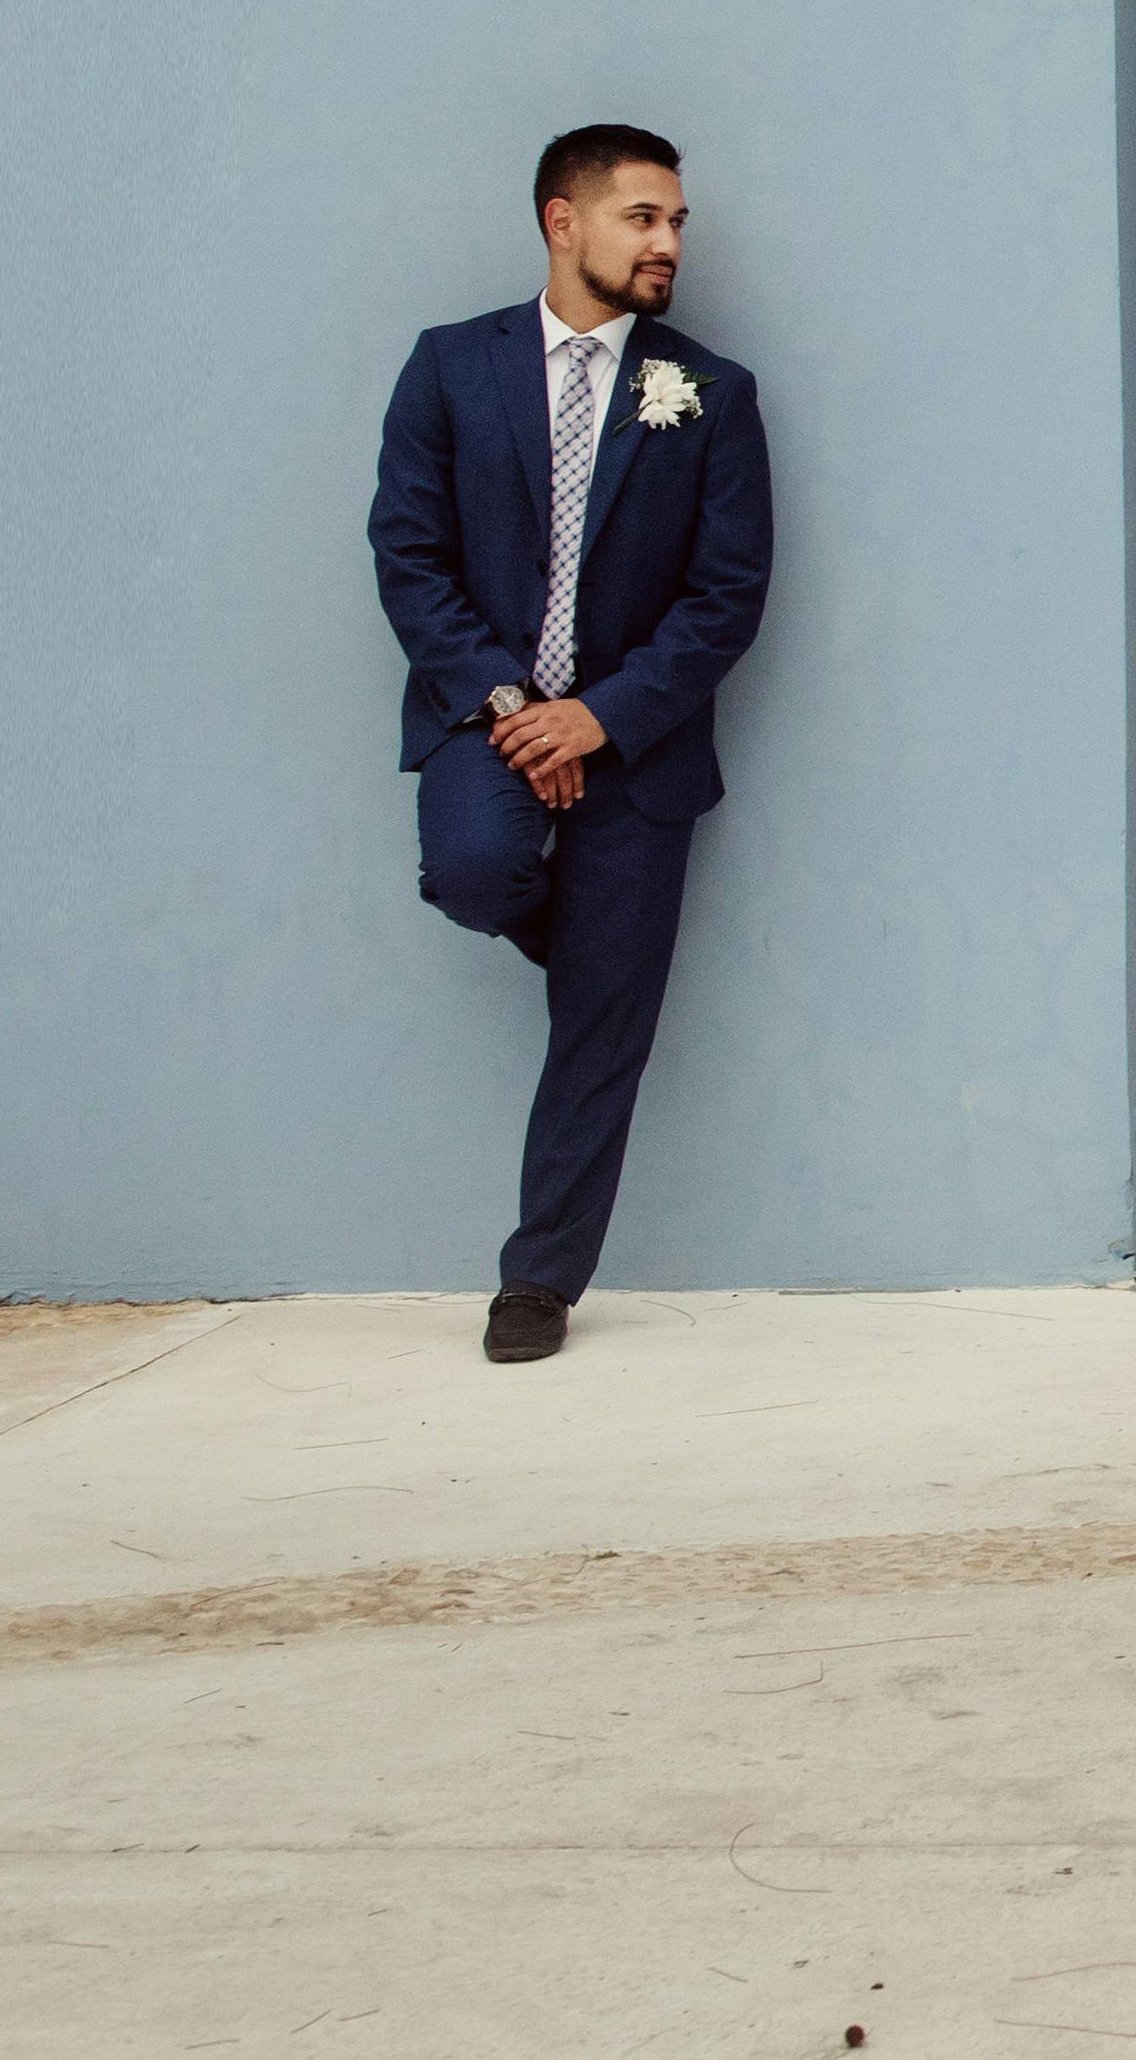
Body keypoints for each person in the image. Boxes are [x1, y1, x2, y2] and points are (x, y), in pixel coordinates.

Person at [369, 125, 773, 1364]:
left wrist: (601, 715)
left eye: (677, 223)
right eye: (644, 217)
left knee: (605, 1019)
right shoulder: (449, 367)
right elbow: (409, 554)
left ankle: (539, 1277)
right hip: (485, 724)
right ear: (564, 220)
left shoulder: (708, 389)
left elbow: (728, 592)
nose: (667, 243)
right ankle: (597, 942)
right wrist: (510, 706)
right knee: (476, 873)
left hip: (637, 745)